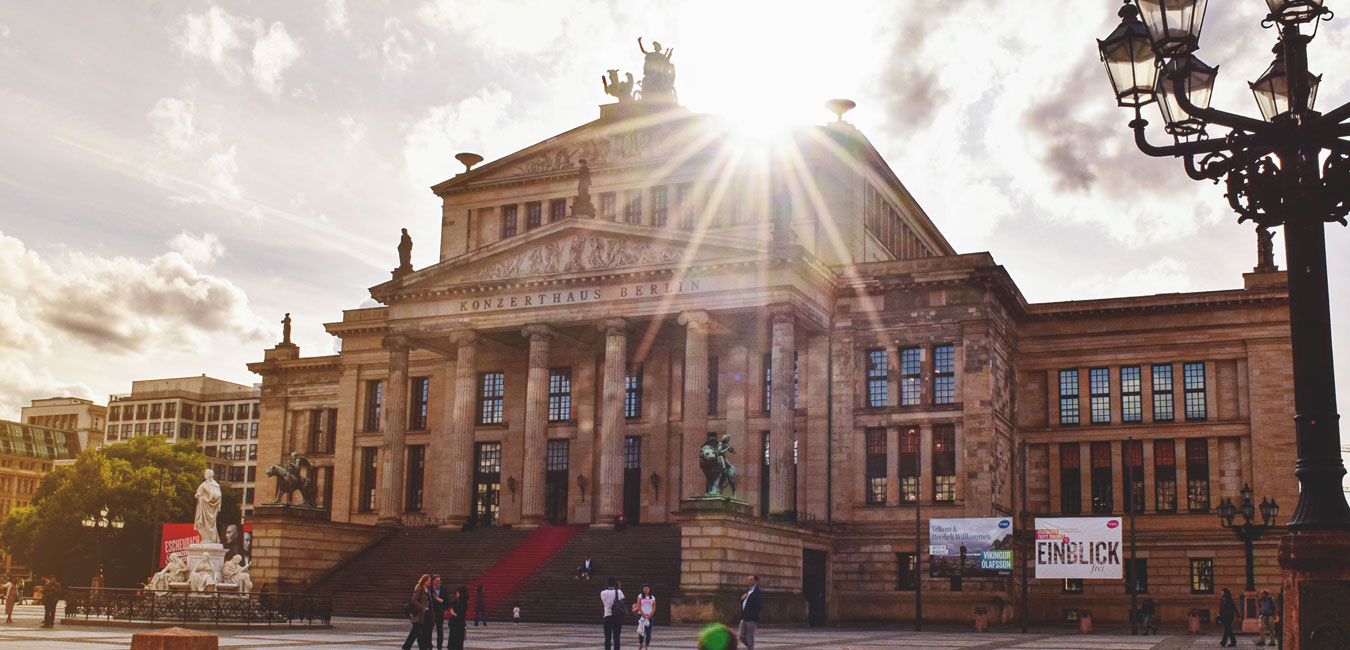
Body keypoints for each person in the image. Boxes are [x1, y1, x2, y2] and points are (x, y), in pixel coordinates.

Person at [402, 574, 431, 650]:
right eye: (428, 581)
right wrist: (421, 607)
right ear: (424, 581)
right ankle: (408, 646)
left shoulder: (427, 589)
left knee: (417, 632)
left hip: (424, 615)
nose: (429, 582)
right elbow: (413, 600)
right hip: (418, 614)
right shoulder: (419, 588)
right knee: (416, 631)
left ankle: (411, 646)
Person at [738, 574, 761, 650]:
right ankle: (750, 648)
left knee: (749, 637)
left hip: (752, 618)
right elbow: (745, 602)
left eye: (751, 580)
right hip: (744, 617)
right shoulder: (748, 590)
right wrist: (742, 599)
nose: (749, 581)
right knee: (741, 636)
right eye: (748, 579)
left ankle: (750, 648)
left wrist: (753, 614)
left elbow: (759, 606)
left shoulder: (758, 592)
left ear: (756, 581)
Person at [601, 577, 625, 650]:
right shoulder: (619, 592)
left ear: (607, 584)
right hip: (617, 616)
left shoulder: (603, 593)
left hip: (607, 616)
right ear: (615, 584)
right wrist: (619, 588)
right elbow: (622, 599)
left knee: (607, 637)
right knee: (616, 637)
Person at [635, 584, 655, 650]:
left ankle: (646, 645)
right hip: (641, 615)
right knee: (641, 631)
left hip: (649, 615)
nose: (646, 590)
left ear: (649, 589)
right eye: (645, 589)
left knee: (648, 632)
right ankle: (641, 643)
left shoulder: (652, 597)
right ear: (643, 590)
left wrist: (650, 615)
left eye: (647, 589)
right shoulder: (640, 596)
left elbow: (653, 607)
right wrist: (642, 614)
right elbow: (638, 605)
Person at [447, 586, 468, 650]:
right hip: (457, 625)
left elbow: (460, 615)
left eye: (457, 592)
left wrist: (453, 613)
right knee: (457, 645)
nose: (456, 594)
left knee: (455, 644)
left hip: (457, 626)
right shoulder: (460, 602)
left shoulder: (462, 603)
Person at [429, 575, 446, 650]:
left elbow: (446, 601)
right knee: (429, 629)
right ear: (433, 581)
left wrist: (438, 599)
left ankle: (439, 645)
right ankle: (429, 644)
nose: (439, 582)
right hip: (431, 612)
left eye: (439, 580)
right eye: (437, 580)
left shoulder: (443, 590)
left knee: (440, 629)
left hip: (439, 612)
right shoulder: (429, 590)